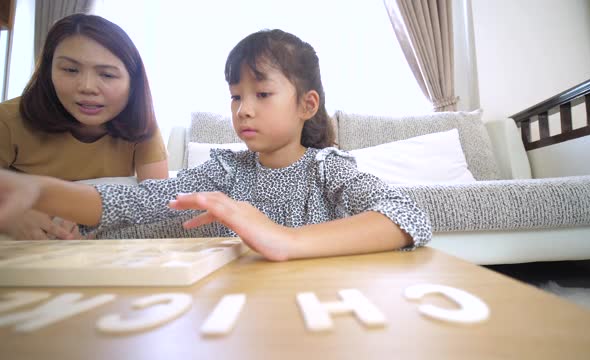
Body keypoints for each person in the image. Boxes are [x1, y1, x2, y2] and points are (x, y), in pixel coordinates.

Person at [0, 29, 430, 261]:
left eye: (262, 95)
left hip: (321, 307)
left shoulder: (327, 168)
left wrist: (288, 241)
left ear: (306, 104)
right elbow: (137, 201)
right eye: (235, 95)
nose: (243, 109)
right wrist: (41, 191)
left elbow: (407, 215)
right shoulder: (224, 171)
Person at [0, 14, 168, 240]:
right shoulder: (8, 121)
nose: (87, 87)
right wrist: (12, 217)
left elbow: (157, 207)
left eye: (107, 74)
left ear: (133, 82)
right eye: (70, 70)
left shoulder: (141, 127)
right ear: (48, 71)